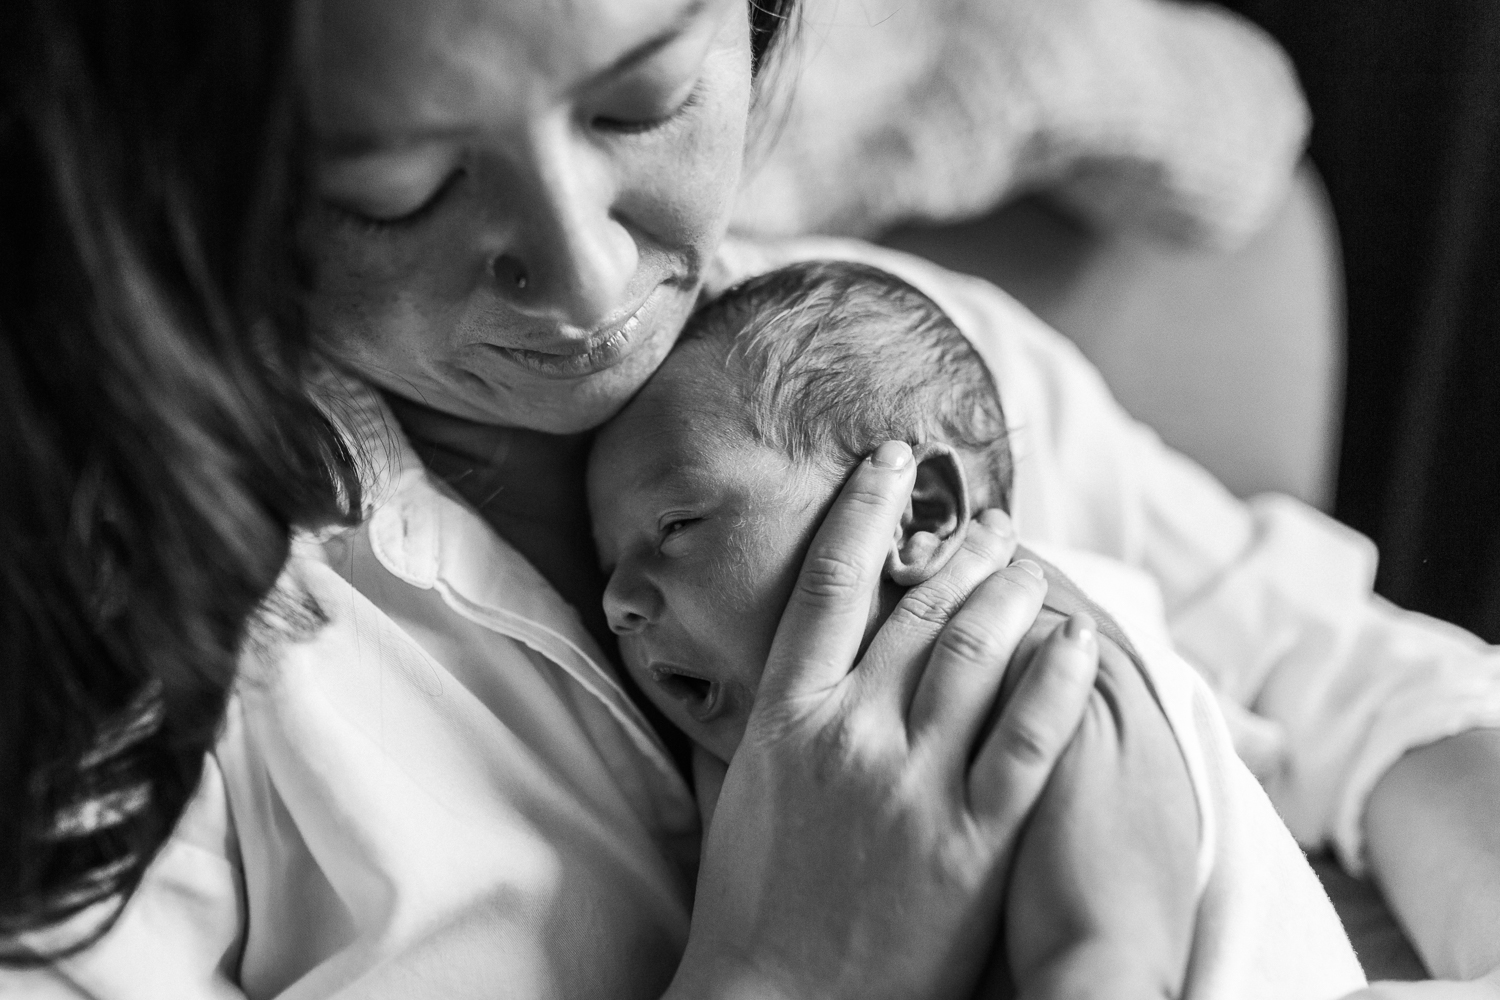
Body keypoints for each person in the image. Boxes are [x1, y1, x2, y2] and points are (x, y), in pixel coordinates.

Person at [3, 0, 1499, 996]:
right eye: (396, 186)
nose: (591, 277)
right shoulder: (138, 656)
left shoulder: (881, 355)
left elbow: (1344, 666)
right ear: (193, 187)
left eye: (645, 99)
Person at [587, 259, 1366, 1000]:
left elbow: (1106, 966)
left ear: (915, 513)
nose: (617, 601)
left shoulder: (1050, 670)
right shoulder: (742, 772)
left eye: (678, 525)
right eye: (608, 567)